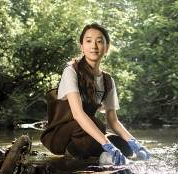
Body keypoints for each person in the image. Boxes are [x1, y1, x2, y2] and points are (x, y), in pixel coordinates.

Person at [40, 23, 150, 166]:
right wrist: (107, 145)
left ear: (107, 47)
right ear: (82, 46)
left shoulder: (107, 80)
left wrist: (135, 143)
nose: (94, 46)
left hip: (87, 132)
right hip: (60, 134)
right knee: (98, 127)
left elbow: (113, 121)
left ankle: (100, 155)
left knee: (125, 147)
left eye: (99, 41)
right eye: (89, 41)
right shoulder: (71, 71)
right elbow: (78, 114)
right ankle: (81, 153)